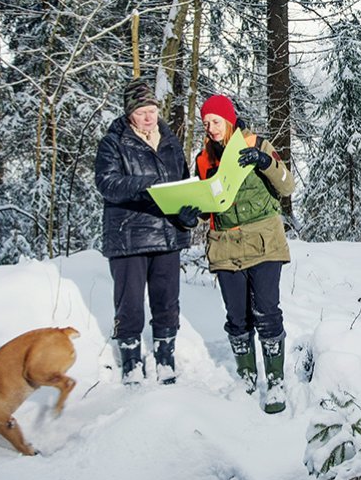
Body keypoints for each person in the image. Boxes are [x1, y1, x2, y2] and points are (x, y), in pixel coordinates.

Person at [94, 78, 201, 385]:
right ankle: (130, 361)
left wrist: (186, 215)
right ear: (130, 114)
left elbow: (182, 182)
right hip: (128, 236)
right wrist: (148, 187)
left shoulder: (169, 141)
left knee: (167, 300)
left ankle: (165, 357)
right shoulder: (113, 142)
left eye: (152, 109)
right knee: (128, 303)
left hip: (167, 236)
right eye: (142, 111)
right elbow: (107, 183)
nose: (149, 116)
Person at [192, 94, 295, 413]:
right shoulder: (203, 160)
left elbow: (288, 186)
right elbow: (207, 202)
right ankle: (248, 376)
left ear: (229, 119)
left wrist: (266, 163)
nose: (210, 128)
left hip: (264, 243)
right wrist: (189, 213)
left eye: (215, 121)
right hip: (225, 248)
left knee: (266, 312)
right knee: (237, 318)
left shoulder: (256, 143)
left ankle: (276, 381)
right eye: (206, 123)